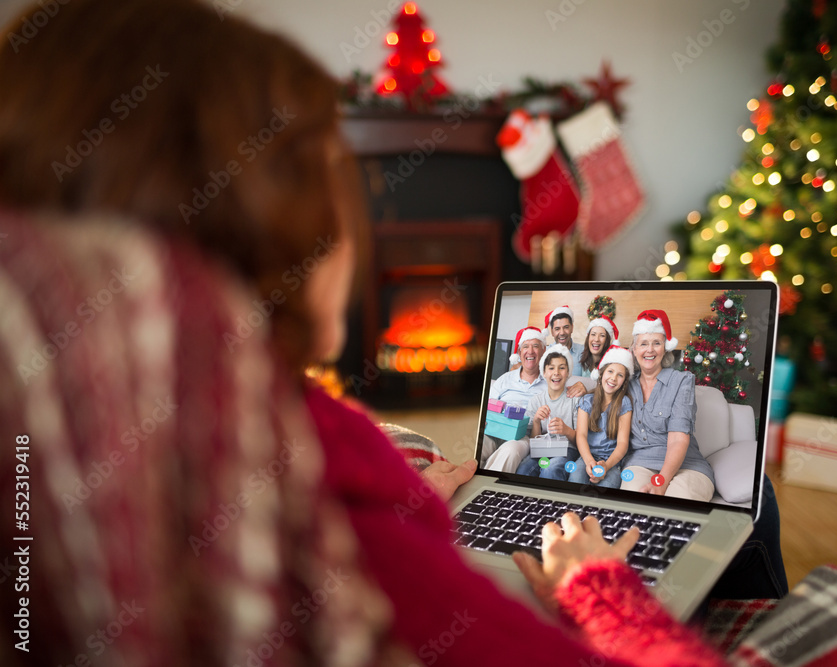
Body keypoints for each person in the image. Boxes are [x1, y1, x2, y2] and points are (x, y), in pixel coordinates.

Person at [0, 2, 734, 665]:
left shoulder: (48, 439)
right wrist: (600, 589)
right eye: (331, 179)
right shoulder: (323, 502)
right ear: (270, 220)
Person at [620, 310, 716, 501]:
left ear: (665, 348)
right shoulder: (625, 383)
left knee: (677, 503)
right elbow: (600, 394)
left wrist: (661, 481)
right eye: (643, 344)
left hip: (687, 465)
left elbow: (678, 440)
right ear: (634, 349)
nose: (650, 350)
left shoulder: (681, 381)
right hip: (639, 463)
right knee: (631, 503)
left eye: (657, 343)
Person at [569, 345, 635, 489]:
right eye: (610, 371)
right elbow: (580, 435)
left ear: (624, 382)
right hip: (587, 455)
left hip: (612, 461)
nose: (613, 378)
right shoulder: (587, 400)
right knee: (575, 478)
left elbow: (623, 444)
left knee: (608, 486)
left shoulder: (624, 403)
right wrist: (589, 461)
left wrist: (606, 466)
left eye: (620, 375)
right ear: (601, 374)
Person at [511, 345, 581, 479]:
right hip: (542, 449)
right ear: (544, 372)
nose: (556, 372)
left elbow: (581, 441)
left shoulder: (575, 400)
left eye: (562, 368)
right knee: (523, 469)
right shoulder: (536, 400)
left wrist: (566, 430)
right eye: (551, 368)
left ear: (568, 372)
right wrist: (537, 421)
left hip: (567, 450)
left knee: (551, 469)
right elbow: (533, 442)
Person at [482, 326, 547, 462]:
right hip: (495, 430)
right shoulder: (505, 379)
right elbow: (487, 406)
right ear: (519, 351)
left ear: (543, 351)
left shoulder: (551, 383)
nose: (530, 351)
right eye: (525, 346)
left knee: (511, 450)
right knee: (478, 444)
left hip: (523, 436)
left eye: (535, 346)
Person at [544, 305, 586, 377]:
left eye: (566, 327)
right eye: (557, 329)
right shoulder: (544, 352)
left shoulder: (583, 351)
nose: (562, 333)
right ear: (552, 331)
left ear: (572, 327)